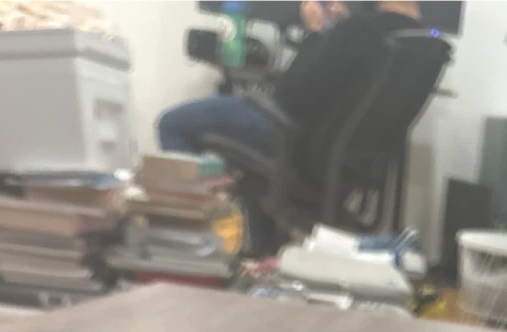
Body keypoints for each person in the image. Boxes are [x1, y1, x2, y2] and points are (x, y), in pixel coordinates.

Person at [156, 0, 423, 254]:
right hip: (332, 158)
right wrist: (336, 31)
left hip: (294, 138)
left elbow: (291, 97)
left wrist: (316, 33)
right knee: (258, 176)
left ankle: (186, 243)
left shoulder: (359, 29)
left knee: (173, 123)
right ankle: (264, 252)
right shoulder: (415, 40)